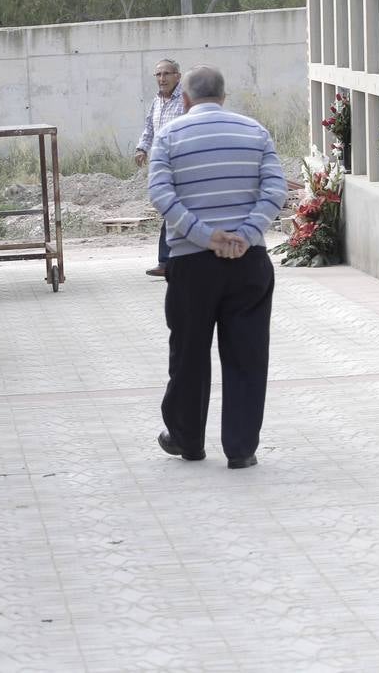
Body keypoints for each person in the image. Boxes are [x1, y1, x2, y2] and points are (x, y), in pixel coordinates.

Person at [147, 65, 287, 469]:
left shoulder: (169, 135)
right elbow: (276, 189)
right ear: (224, 97)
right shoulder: (255, 132)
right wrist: (245, 233)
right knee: (247, 355)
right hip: (249, 261)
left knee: (189, 352)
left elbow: (160, 193)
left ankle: (188, 440)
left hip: (192, 265)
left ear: (185, 99)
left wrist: (204, 236)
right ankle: (241, 448)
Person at [134, 58, 186, 277]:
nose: (162, 79)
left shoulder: (186, 100)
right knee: (170, 211)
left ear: (178, 76)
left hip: (182, 165)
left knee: (175, 211)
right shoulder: (157, 101)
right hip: (162, 166)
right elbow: (149, 128)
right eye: (158, 75)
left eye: (166, 74)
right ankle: (169, 262)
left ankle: (168, 262)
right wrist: (141, 149)